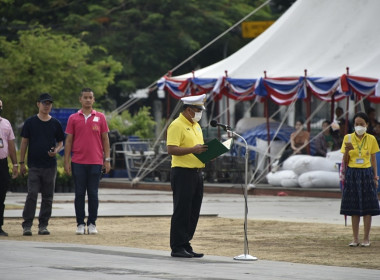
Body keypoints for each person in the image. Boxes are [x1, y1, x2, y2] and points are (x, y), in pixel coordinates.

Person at [64, 88, 111, 235]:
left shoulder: (101, 117)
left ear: (94, 99)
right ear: (80, 99)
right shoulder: (73, 118)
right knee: (79, 194)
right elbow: (69, 141)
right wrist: (66, 161)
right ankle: (79, 223)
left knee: (93, 194)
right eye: (85, 97)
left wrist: (107, 159)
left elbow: (105, 139)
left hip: (96, 161)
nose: (88, 100)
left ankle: (92, 223)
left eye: (90, 97)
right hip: (78, 161)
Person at [167, 94, 208, 258]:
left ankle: (185, 243)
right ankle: (177, 246)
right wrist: (193, 150)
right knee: (182, 210)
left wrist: (209, 153)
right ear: (189, 110)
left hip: (197, 172)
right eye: (198, 110)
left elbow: (198, 149)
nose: (200, 113)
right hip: (182, 172)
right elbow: (171, 149)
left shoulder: (196, 125)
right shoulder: (177, 125)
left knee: (193, 210)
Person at [19, 93, 65, 236]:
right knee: (32, 194)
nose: (47, 106)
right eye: (44, 103)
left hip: (50, 165)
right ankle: (27, 224)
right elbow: (24, 142)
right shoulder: (30, 122)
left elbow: (61, 143)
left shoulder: (55, 123)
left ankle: (43, 225)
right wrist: (21, 162)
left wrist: (56, 151)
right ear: (38, 104)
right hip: (34, 165)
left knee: (48, 196)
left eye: (49, 103)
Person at [340, 111, 380, 247]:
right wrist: (346, 150)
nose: (359, 127)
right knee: (354, 206)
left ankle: (366, 238)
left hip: (367, 173)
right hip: (352, 173)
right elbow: (345, 161)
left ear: (367, 125)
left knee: (368, 207)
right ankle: (355, 238)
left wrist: (376, 177)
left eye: (361, 124)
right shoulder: (348, 138)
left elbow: (373, 159)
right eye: (356, 124)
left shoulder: (371, 139)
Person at [0, 99, 18, 236]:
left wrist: (15, 164)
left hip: (2, 163)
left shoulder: (5, 123)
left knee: (1, 195)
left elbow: (11, 145)